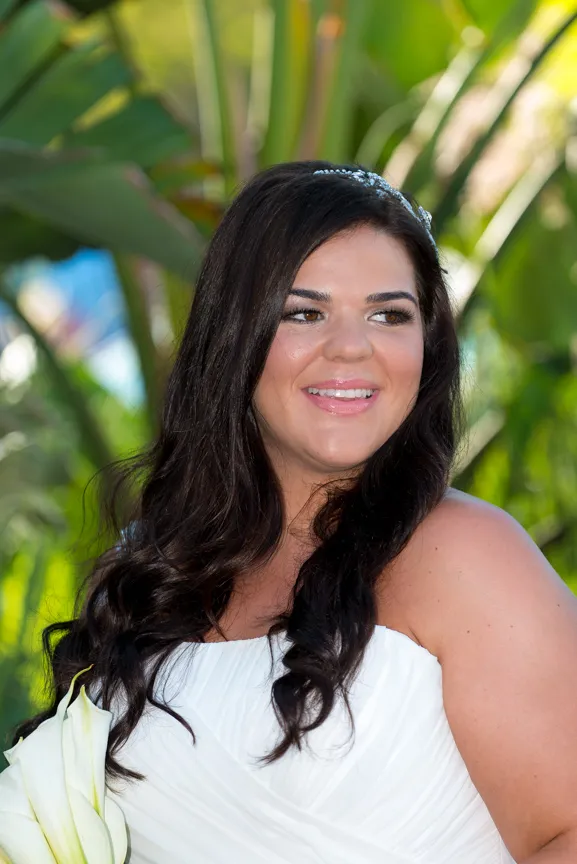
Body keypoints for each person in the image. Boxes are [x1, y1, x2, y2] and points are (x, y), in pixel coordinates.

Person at [13, 161, 577, 863]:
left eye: (388, 314)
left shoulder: (463, 555)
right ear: (235, 339)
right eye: (303, 312)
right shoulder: (153, 569)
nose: (351, 346)